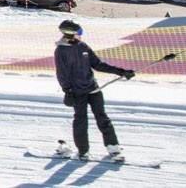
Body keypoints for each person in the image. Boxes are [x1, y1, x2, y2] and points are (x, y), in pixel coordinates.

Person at [54, 20, 135, 161]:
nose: (80, 35)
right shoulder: (61, 50)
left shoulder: (82, 46)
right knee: (81, 120)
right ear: (70, 33)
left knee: (102, 117)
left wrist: (120, 71)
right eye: (78, 32)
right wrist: (67, 91)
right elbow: (62, 73)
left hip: (93, 88)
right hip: (77, 92)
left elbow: (97, 64)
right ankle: (83, 151)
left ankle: (113, 148)